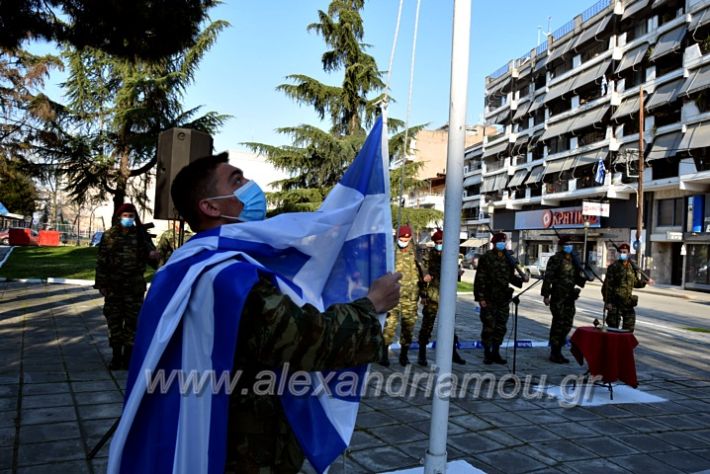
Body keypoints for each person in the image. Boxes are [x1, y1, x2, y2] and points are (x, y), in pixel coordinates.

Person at [169, 153, 402, 472]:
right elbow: (307, 341)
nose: (251, 187)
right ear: (210, 206)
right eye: (237, 181)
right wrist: (372, 304)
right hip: (241, 448)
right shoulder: (228, 278)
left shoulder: (190, 260)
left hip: (209, 422)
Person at [94, 203, 159, 370]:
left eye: (131, 216)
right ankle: (116, 358)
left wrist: (154, 255)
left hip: (134, 288)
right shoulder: (109, 236)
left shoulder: (140, 235)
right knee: (114, 322)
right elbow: (102, 261)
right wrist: (102, 283)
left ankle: (128, 358)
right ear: (118, 216)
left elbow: (151, 257)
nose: (128, 219)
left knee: (132, 323)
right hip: (114, 287)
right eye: (125, 215)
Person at [473, 232, 528, 365]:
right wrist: (481, 298)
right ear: (493, 243)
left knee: (501, 327)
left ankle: (496, 352)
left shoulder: (508, 258)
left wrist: (522, 279)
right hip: (489, 298)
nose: (502, 244)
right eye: (499, 242)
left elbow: (510, 277)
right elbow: (480, 279)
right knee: (488, 327)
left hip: (503, 299)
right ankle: (487, 353)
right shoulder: (486, 258)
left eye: (504, 242)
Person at [416, 229, 467, 366]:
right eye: (438, 242)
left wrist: (459, 273)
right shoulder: (428, 257)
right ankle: (422, 353)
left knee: (450, 327)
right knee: (427, 326)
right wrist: (423, 295)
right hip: (432, 297)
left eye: (442, 242)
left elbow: (453, 275)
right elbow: (422, 278)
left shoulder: (450, 256)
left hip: (447, 298)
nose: (440, 245)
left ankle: (452, 353)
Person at [541, 235, 588, 363]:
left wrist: (585, 277)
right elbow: (548, 278)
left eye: (571, 244)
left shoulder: (574, 259)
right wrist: (546, 295)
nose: (569, 247)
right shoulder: (555, 259)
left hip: (570, 298)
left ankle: (559, 350)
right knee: (558, 324)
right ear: (562, 246)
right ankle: (554, 352)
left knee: (567, 325)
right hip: (558, 297)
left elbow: (577, 278)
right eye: (567, 244)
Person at [381, 224, 421, 367]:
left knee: (408, 328)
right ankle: (384, 355)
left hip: (410, 298)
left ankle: (404, 355)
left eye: (407, 238)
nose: (404, 240)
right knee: (389, 327)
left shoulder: (417, 253)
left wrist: (424, 294)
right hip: (393, 297)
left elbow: (423, 273)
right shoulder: (390, 251)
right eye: (401, 238)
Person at [602, 242, 653, 332]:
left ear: (629, 253)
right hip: (615, 303)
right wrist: (608, 302)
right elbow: (607, 286)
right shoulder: (614, 267)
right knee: (613, 330)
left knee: (629, 330)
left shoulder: (631, 267)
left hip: (627, 303)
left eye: (625, 252)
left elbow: (635, 283)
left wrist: (645, 282)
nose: (623, 254)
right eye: (621, 252)